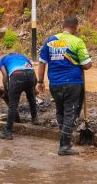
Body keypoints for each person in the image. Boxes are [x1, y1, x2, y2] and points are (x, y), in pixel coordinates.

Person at [37, 15, 93, 155]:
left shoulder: (50, 41)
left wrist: (40, 81)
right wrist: (84, 61)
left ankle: (64, 140)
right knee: (70, 113)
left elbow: (42, 62)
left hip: (55, 84)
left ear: (63, 26)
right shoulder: (77, 41)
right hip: (72, 83)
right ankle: (64, 146)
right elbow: (87, 65)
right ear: (75, 27)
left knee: (60, 111)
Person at [0, 51, 38, 140]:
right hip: (30, 74)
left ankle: (8, 132)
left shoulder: (3, 59)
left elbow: (5, 75)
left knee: (13, 105)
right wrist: (34, 87)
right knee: (31, 98)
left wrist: (6, 90)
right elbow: (33, 72)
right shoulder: (23, 57)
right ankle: (35, 119)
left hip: (17, 75)